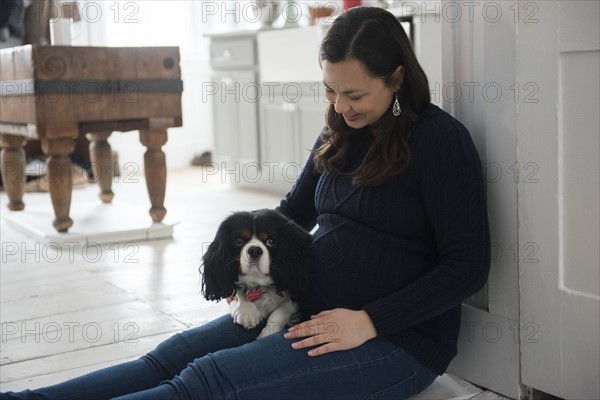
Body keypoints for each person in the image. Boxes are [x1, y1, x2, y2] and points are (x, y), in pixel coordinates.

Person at [1, 6, 490, 400]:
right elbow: (291, 212)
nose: (340, 106)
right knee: (167, 359)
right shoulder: (342, 131)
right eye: (330, 90)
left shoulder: (439, 142)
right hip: (298, 306)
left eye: (355, 94)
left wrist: (368, 321)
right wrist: (244, 266)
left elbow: (467, 266)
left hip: (396, 344)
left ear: (398, 78)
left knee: (206, 381)